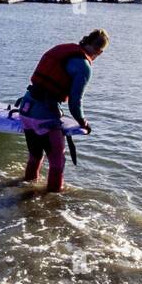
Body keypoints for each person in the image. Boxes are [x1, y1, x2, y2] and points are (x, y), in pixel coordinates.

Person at [16, 29, 108, 192]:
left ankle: (25, 191)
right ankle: (53, 204)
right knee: (57, 163)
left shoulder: (63, 48)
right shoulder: (84, 66)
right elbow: (75, 102)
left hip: (25, 109)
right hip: (44, 116)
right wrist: (82, 121)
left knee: (35, 156)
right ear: (99, 52)